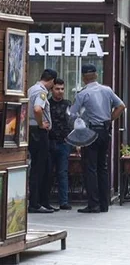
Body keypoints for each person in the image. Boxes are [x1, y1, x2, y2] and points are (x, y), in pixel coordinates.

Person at [69, 63, 126, 213]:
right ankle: (104, 203)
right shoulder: (107, 90)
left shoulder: (82, 94)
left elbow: (73, 114)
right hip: (105, 131)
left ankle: (93, 204)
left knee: (90, 168)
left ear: (83, 78)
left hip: (91, 132)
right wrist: (109, 119)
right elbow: (121, 106)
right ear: (96, 75)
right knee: (103, 167)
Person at [26, 69, 57, 214]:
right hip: (39, 133)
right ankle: (35, 203)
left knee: (40, 166)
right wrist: (40, 124)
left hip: (31, 132)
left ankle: (40, 201)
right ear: (51, 80)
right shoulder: (41, 92)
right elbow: (38, 109)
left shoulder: (32, 88)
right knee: (40, 168)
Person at [47, 77, 73, 210]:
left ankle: (64, 201)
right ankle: (46, 200)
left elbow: (72, 122)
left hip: (64, 142)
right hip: (50, 141)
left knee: (62, 172)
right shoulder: (47, 103)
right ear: (52, 90)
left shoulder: (67, 104)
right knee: (48, 172)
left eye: (62, 89)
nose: (60, 91)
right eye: (57, 89)